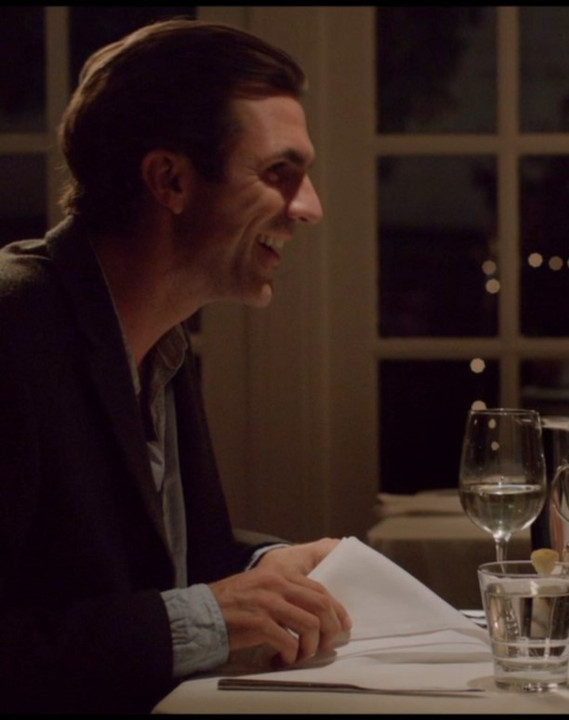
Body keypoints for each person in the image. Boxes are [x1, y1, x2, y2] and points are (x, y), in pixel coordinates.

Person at [0, 20, 352, 713]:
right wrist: (204, 621)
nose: (309, 208)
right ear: (170, 180)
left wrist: (263, 568)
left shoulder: (164, 342)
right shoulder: (12, 332)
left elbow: (140, 567)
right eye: (278, 173)